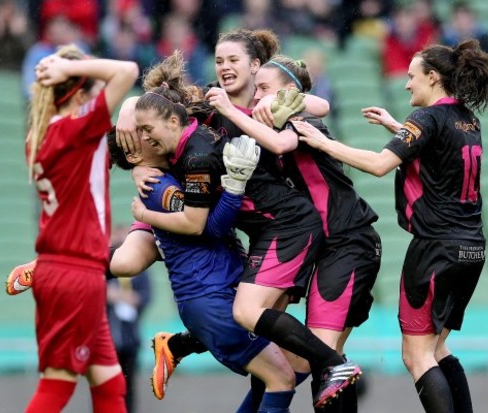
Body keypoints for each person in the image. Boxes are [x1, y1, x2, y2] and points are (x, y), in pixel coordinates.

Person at [126, 44, 361, 408]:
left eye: (233, 60)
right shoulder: (207, 110)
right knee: (271, 353)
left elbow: (318, 107)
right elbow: (147, 105)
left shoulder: (261, 107)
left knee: (264, 340)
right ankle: (330, 365)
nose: (223, 67)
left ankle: (331, 365)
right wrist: (141, 162)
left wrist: (272, 104)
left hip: (291, 226)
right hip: (272, 229)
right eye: (218, 60)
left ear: (256, 67)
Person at [297, 39, 488, 413]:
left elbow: (377, 164)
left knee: (416, 355)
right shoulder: (468, 118)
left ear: (433, 78)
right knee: (438, 349)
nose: (407, 84)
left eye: (412, 76)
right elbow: (437, 151)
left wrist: (321, 143)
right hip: (472, 248)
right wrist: (395, 125)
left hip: (436, 247)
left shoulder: (427, 119)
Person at [206, 54, 382, 412]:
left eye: (265, 90)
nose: (258, 98)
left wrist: (230, 107)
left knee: (324, 362)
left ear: (287, 92)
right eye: (256, 92)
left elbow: (288, 138)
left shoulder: (298, 120)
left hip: (348, 241)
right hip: (328, 247)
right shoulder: (282, 120)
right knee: (310, 360)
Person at [109, 125, 300, 412]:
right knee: (281, 378)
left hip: (224, 286)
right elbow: (209, 226)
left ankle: (178, 345)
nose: (150, 135)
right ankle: (54, 266)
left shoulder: (173, 167)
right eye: (142, 135)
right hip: (209, 299)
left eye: (149, 130)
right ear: (135, 154)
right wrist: (235, 184)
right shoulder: (158, 187)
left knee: (296, 364)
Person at [24, 44, 138, 412]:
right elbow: (127, 71)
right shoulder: (77, 131)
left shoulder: (40, 135)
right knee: (56, 387)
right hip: (77, 274)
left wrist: (68, 67)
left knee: (109, 381)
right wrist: (69, 67)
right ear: (80, 93)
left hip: (63, 268)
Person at [105, 225, 152, 413]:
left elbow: (146, 296)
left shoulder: (140, 268)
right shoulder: (107, 266)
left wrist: (127, 298)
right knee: (106, 385)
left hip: (130, 338)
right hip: (107, 339)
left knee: (129, 384)